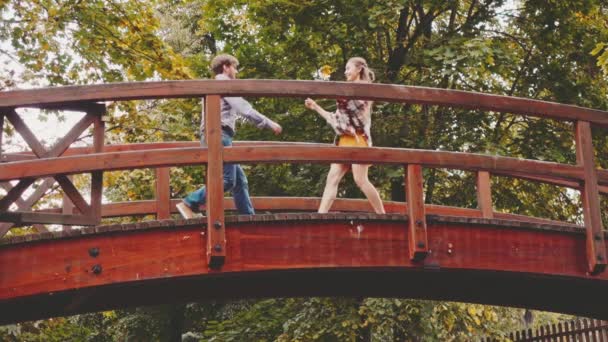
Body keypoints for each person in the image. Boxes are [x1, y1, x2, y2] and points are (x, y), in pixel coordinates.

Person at [176, 54, 282, 219]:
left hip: (217, 135)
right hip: (219, 134)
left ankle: (249, 218)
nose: (236, 72)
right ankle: (190, 202)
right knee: (227, 180)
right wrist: (269, 123)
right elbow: (243, 108)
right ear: (226, 67)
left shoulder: (215, 85)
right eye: (235, 67)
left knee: (239, 181)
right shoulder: (223, 83)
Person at [304, 57, 386, 214]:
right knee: (332, 179)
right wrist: (315, 106)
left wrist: (333, 90)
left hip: (357, 140)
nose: (345, 71)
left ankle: (382, 214)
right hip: (343, 141)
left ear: (359, 69)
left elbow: (357, 116)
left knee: (360, 180)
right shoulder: (345, 92)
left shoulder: (363, 90)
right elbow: (336, 118)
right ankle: (320, 216)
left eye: (348, 68)